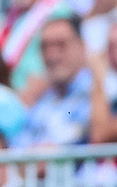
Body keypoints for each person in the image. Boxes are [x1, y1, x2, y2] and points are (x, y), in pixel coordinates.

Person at [18, 18, 102, 148]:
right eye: (45, 47)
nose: (52, 55)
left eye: (61, 45)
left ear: (82, 46)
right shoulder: (41, 99)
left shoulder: (98, 90)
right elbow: (18, 146)